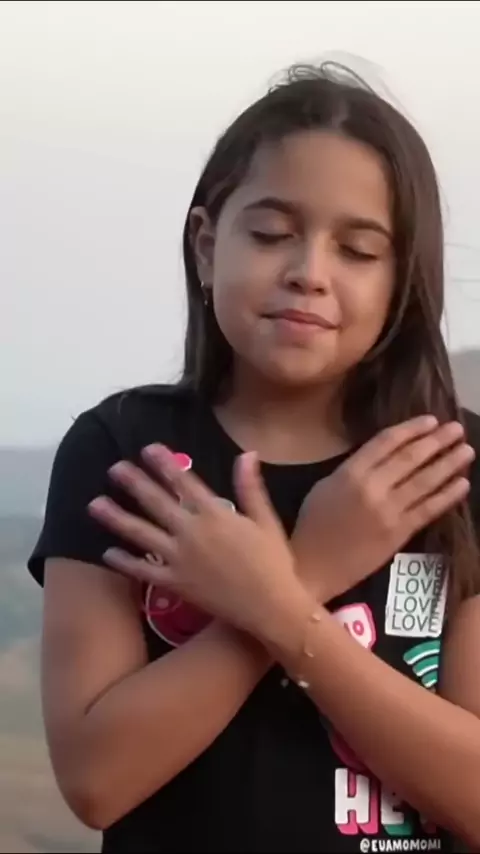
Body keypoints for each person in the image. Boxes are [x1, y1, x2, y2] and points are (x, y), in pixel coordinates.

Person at [28, 63, 480, 854]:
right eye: (271, 235)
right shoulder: (126, 453)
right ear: (207, 247)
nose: (309, 273)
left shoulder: (450, 466)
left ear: (402, 279)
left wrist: (276, 606)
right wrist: (309, 570)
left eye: (359, 250)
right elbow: (97, 780)